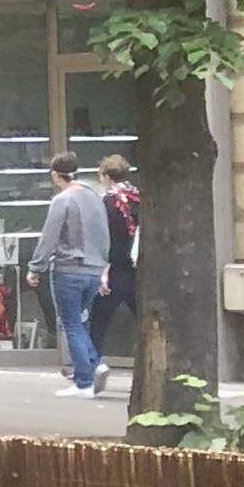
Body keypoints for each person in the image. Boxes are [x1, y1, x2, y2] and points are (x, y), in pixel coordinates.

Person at [31, 152, 112, 398]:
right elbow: (104, 233)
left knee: (70, 323)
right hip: (94, 270)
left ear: (56, 175)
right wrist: (103, 266)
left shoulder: (62, 200)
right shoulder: (95, 197)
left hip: (69, 269)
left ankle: (84, 382)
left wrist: (36, 267)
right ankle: (93, 364)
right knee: (79, 321)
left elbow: (50, 236)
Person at [88, 154, 141, 360]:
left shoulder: (108, 202)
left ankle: (92, 365)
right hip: (137, 269)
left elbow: (101, 237)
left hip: (113, 269)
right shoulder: (138, 198)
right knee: (143, 317)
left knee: (99, 322)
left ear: (107, 176)